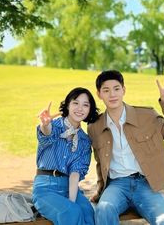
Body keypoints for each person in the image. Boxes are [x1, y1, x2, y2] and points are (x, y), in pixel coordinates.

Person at [87, 70, 164, 225]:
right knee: (103, 209)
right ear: (99, 94)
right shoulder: (95, 126)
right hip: (116, 186)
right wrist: (101, 191)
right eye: (106, 90)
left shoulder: (146, 115)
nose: (112, 94)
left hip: (145, 185)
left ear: (124, 90)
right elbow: (100, 163)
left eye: (116, 88)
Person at [32, 87, 99, 225]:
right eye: (76, 103)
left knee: (88, 213)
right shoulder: (54, 125)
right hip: (45, 188)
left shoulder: (84, 141)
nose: (80, 108)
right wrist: (45, 125)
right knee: (70, 212)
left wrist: (71, 201)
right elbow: (47, 134)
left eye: (85, 105)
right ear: (68, 104)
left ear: (89, 110)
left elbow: (75, 173)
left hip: (69, 187)